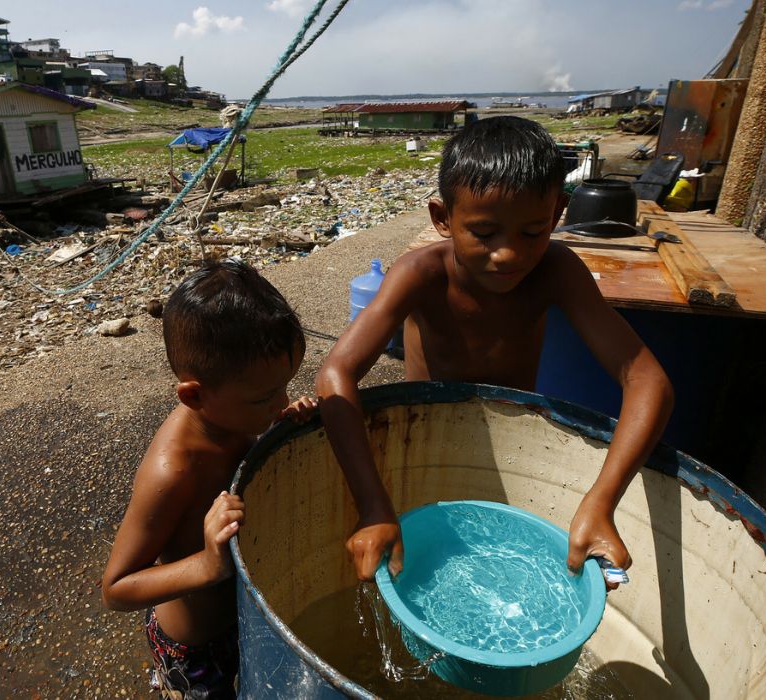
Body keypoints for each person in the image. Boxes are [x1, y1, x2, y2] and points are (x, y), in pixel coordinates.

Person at [315, 116, 674, 584]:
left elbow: (647, 379)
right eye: (484, 233)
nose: (508, 254)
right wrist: (373, 504)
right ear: (443, 218)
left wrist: (601, 501)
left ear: (558, 213)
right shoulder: (420, 274)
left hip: (513, 443)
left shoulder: (557, 270)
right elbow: (334, 374)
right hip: (425, 435)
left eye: (532, 232)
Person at [102, 260, 317, 699]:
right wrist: (207, 563)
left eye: (286, 385)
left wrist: (280, 426)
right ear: (193, 395)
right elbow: (117, 588)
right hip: (193, 647)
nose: (283, 400)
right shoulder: (173, 470)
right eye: (265, 398)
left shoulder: (232, 415)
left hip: (242, 614)